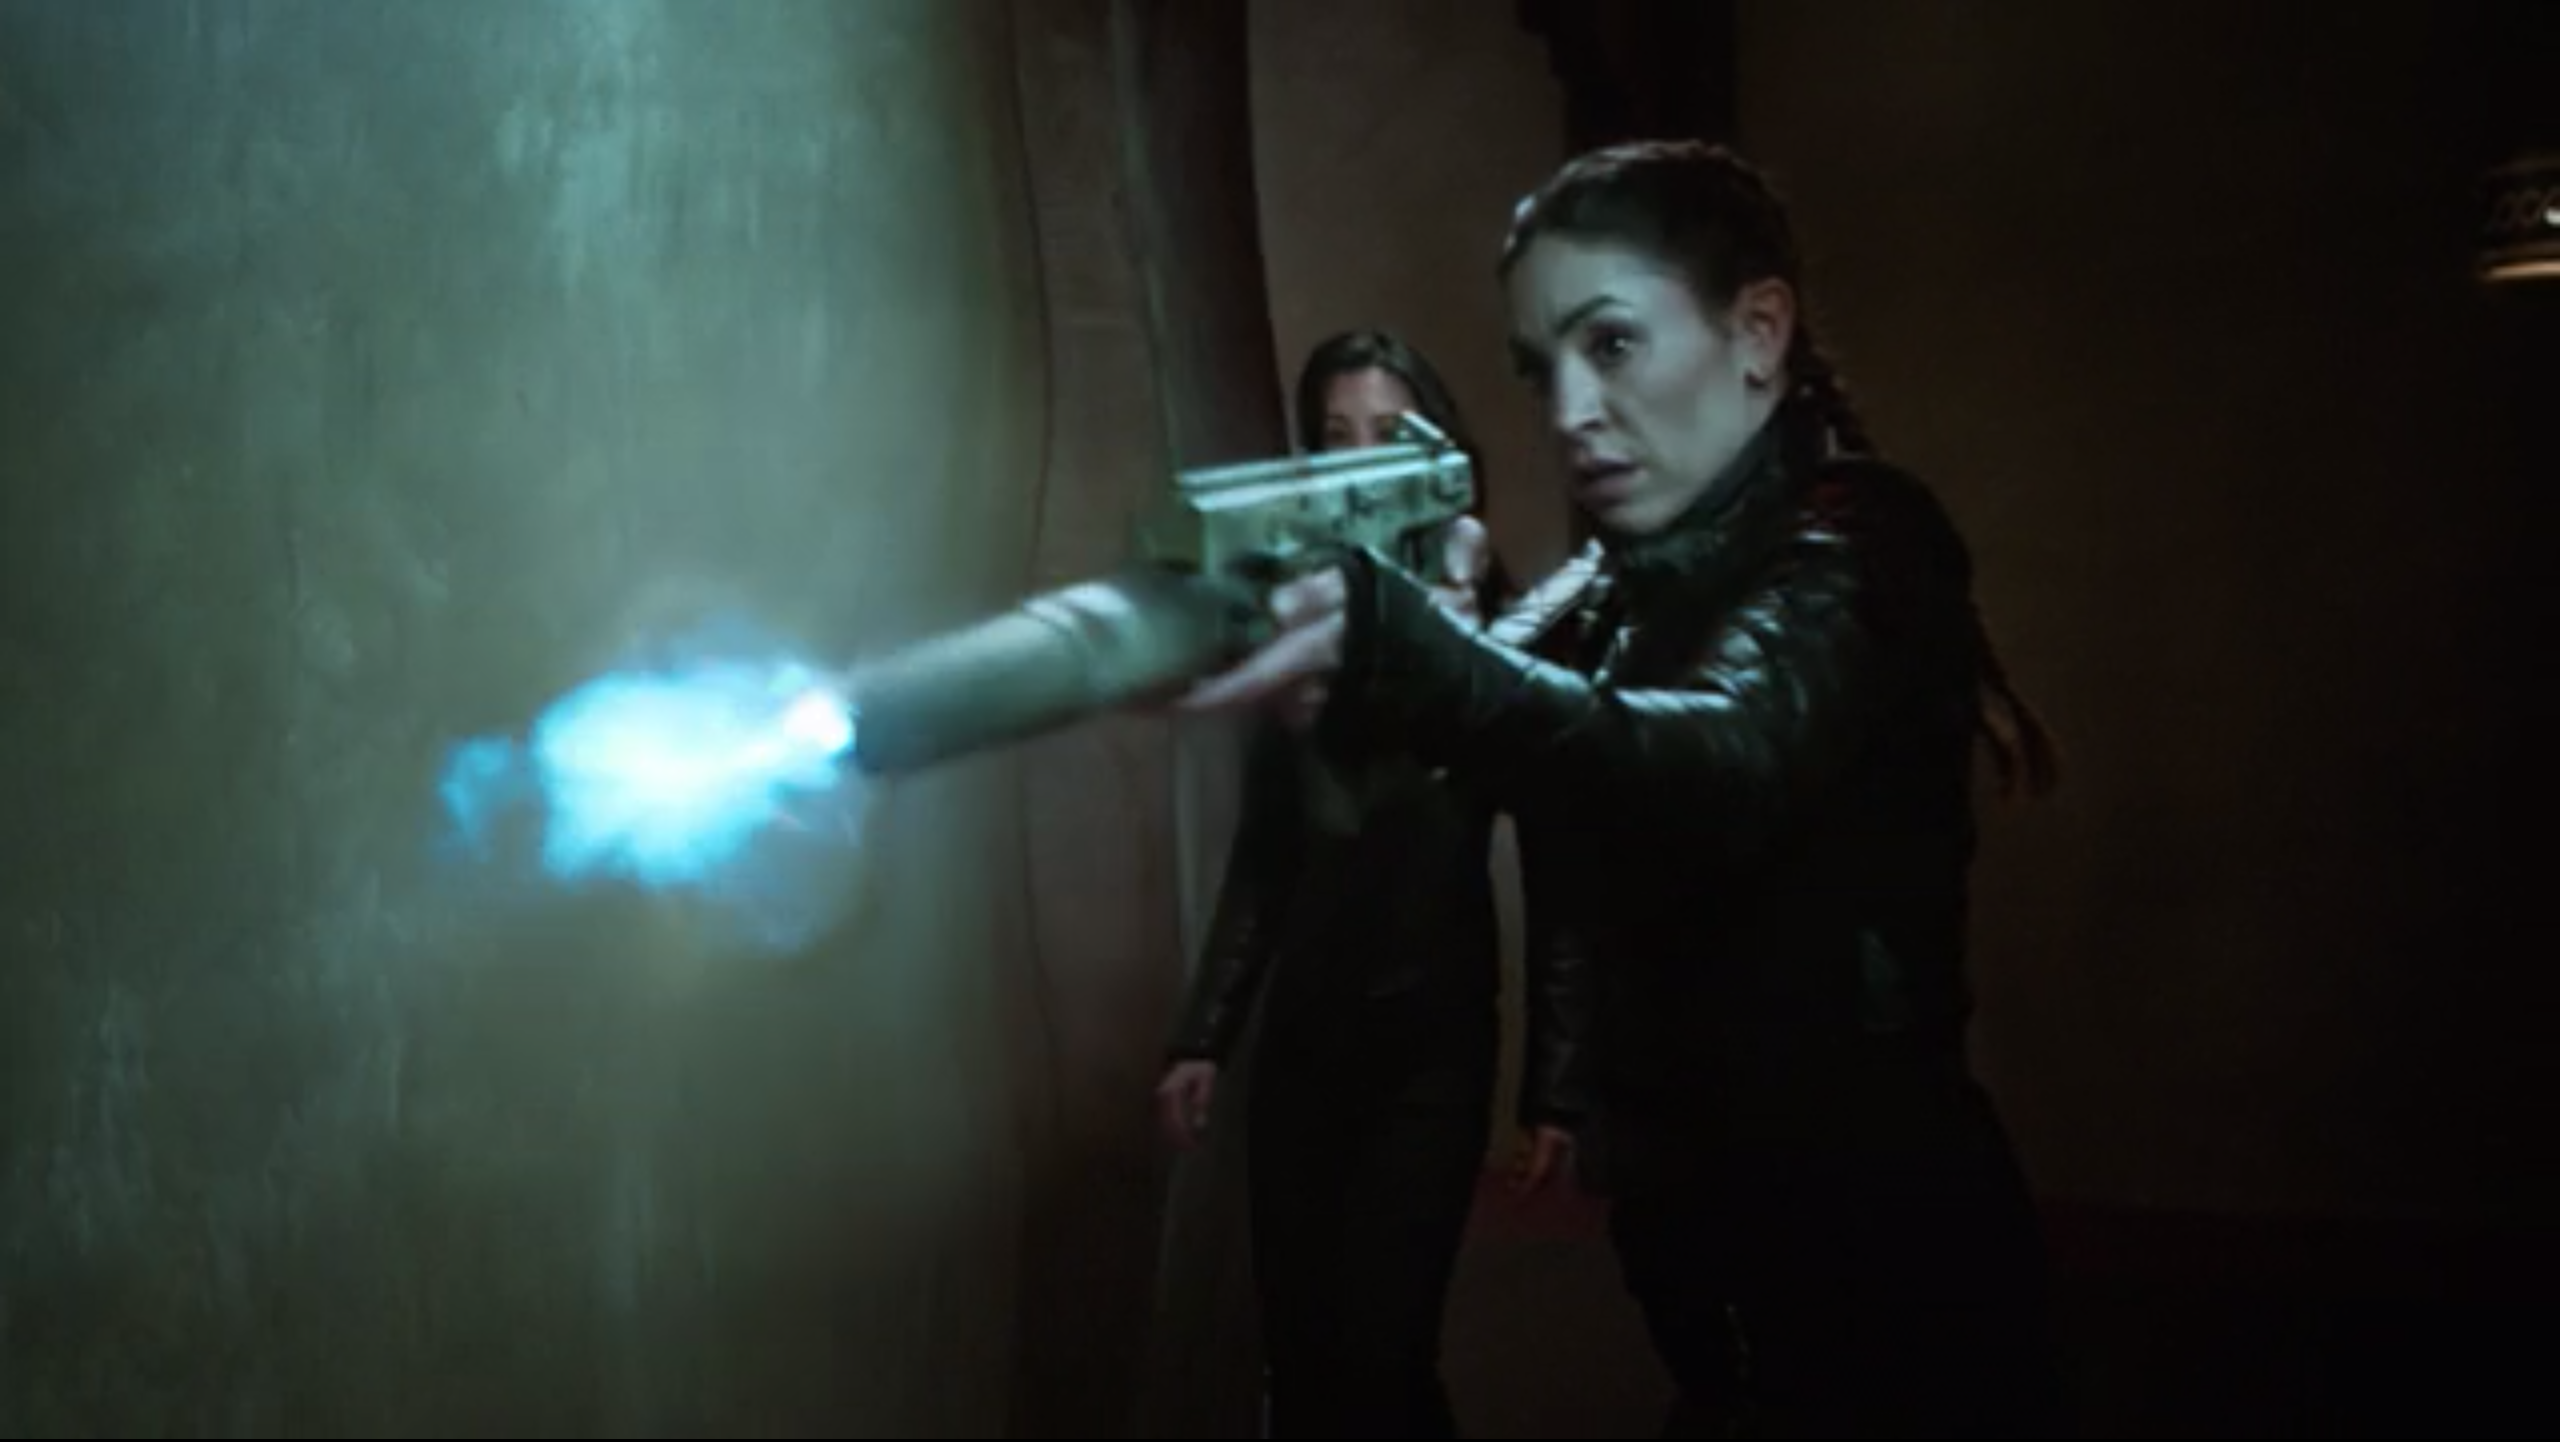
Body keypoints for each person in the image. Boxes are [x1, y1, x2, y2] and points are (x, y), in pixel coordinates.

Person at [1179, 142, 2068, 1438]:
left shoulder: (1856, 537)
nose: (1569, 410)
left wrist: (1416, 646)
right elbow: (1462, 725)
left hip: (1883, 1256)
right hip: (1711, 1248)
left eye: (1611, 345)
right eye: (1541, 368)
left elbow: (1712, 756)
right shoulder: (1621, 572)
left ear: (1757, 333)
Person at [1153, 329, 1592, 1439]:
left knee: (1383, 1362)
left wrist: (1555, 1085)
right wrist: (1204, 1034)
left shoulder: (1509, 629)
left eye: (1386, 434)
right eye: (1334, 438)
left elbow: (1563, 862)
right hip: (1304, 1049)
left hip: (1429, 1054)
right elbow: (1268, 847)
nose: (1359, 462)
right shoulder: (1299, 632)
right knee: (1304, 1363)